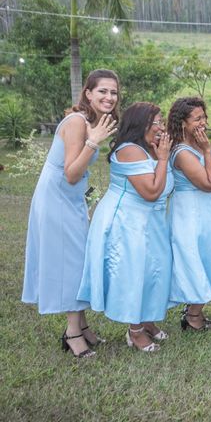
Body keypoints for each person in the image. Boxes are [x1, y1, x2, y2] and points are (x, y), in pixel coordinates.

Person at [22, 68, 119, 358]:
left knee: (80, 259)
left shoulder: (91, 121)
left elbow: (81, 177)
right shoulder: (78, 122)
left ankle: (84, 326)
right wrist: (94, 141)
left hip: (71, 199)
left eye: (113, 92)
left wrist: (90, 203)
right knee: (72, 263)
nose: (109, 97)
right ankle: (72, 333)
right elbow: (72, 173)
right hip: (56, 199)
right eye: (102, 91)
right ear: (88, 93)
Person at [78, 102, 174, 352]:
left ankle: (147, 320)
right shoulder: (130, 150)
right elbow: (152, 192)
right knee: (135, 272)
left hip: (149, 220)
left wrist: (159, 155)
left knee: (154, 269)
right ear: (142, 124)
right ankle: (135, 331)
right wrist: (163, 158)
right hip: (125, 220)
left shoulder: (146, 148)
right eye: (157, 122)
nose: (161, 127)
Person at [166, 97, 211, 331]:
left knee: (207, 256)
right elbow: (208, 183)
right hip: (190, 211)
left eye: (204, 117)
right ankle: (192, 315)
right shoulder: (182, 152)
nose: (203, 122)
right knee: (194, 259)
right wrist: (208, 150)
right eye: (197, 119)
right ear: (183, 123)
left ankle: (194, 310)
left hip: (205, 209)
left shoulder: (196, 144)